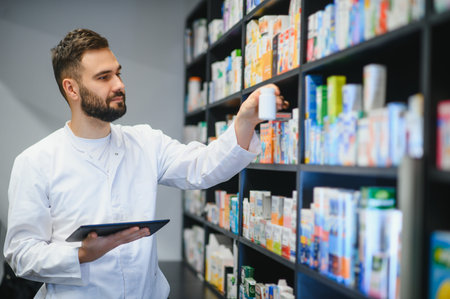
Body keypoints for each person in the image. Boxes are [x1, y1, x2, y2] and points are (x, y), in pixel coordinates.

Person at [3, 28, 288, 298]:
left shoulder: (145, 142)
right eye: (104, 77)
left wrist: (245, 120)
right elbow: (21, 253)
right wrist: (81, 254)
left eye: (118, 73)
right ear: (72, 89)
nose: (120, 85)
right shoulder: (36, 162)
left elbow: (203, 168)